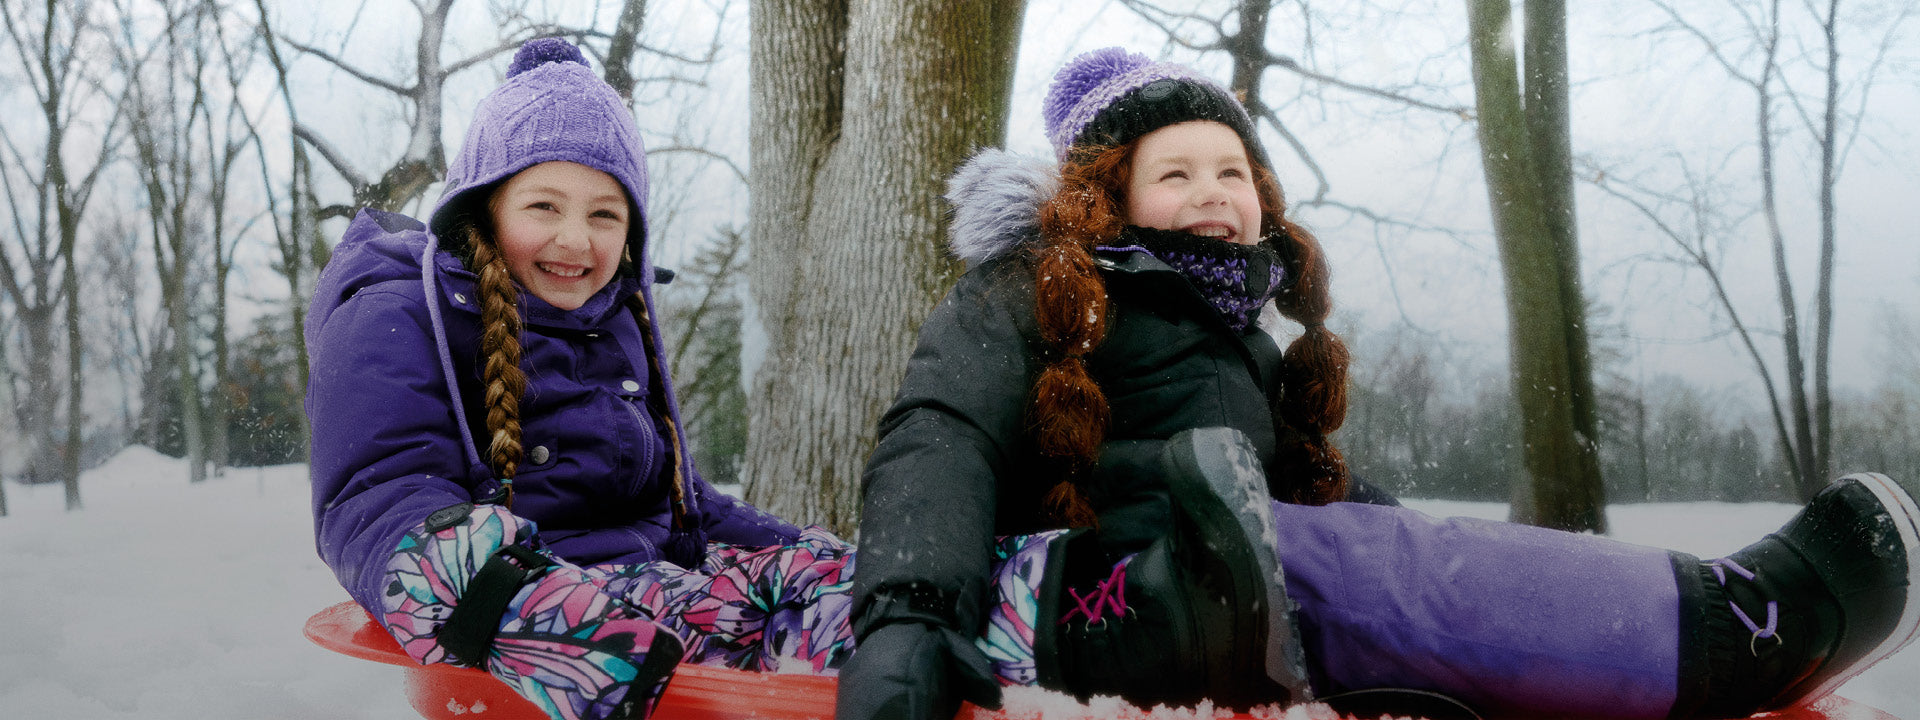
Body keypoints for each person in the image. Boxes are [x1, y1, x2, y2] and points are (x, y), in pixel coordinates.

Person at [837, 47, 1920, 720]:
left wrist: (1416, 538)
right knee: (1383, 568)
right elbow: (940, 436)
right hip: (1087, 593)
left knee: (1409, 554)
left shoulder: (1240, 343)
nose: (1215, 192)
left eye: (1234, 173)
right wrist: (907, 617)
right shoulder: (1029, 290)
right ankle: (1735, 630)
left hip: (1211, 582)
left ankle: (1660, 613)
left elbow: (1309, 505)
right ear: (1106, 201)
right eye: (1175, 172)